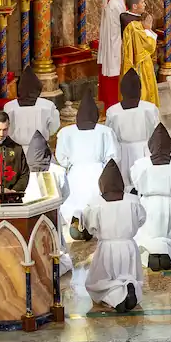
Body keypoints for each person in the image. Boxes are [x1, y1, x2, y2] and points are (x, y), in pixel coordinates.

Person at [83, 161, 144, 313]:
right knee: (129, 274)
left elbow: (90, 227)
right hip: (128, 246)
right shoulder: (133, 200)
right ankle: (129, 285)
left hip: (107, 248)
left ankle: (117, 297)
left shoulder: (95, 203)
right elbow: (141, 219)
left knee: (98, 282)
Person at [55, 93, 119, 238]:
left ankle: (77, 224)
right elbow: (113, 157)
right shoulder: (105, 131)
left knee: (75, 202)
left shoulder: (66, 132)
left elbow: (61, 157)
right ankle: (94, 226)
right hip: (98, 173)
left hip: (75, 174)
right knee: (96, 204)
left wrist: (70, 165)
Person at [131, 124, 171, 272]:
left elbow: (136, 183)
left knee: (148, 236)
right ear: (170, 145)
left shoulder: (140, 164)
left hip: (149, 205)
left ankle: (151, 254)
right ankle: (169, 255)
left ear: (150, 145)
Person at [24, 131, 72, 275]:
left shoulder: (22, 172)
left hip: (29, 216)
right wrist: (56, 205)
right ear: (48, 153)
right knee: (55, 247)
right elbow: (65, 193)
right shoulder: (58, 171)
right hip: (52, 215)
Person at [105, 69, 159, 190]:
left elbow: (109, 135)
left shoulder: (113, 111)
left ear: (122, 91)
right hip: (146, 152)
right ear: (139, 90)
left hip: (123, 153)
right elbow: (158, 132)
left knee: (126, 187)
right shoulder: (150, 108)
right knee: (146, 184)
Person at [2, 67, 60, 148]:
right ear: (38, 88)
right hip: (40, 148)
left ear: (20, 88)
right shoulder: (48, 106)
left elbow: (4, 127)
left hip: (15, 147)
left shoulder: (9, 107)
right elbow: (54, 127)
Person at [120, 0, 159, 107]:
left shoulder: (126, 18)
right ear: (134, 6)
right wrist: (148, 29)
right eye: (142, 2)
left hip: (130, 61)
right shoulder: (134, 25)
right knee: (143, 90)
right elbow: (148, 45)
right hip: (139, 62)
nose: (145, 4)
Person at [98, 0, 129, 111]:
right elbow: (117, 25)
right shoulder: (113, 4)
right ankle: (113, 105)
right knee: (114, 69)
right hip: (115, 41)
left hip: (119, 39)